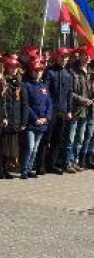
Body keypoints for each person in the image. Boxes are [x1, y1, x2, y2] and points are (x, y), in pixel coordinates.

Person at [41, 47, 73, 175]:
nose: (64, 59)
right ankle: (41, 164)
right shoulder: (49, 72)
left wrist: (69, 109)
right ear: (57, 57)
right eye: (62, 57)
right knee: (46, 138)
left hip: (63, 110)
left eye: (66, 57)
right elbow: (45, 91)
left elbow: (70, 93)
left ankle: (52, 164)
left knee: (58, 139)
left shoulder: (68, 73)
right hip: (51, 110)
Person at [21, 59, 51, 179]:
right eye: (36, 71)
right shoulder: (26, 85)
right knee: (30, 147)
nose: (38, 73)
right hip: (31, 122)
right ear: (31, 71)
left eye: (40, 71)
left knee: (36, 148)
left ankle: (29, 168)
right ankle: (24, 169)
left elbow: (49, 103)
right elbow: (26, 104)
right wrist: (35, 118)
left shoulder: (44, 86)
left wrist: (46, 118)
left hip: (42, 122)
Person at [65, 47, 93, 172]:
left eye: (89, 55)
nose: (87, 58)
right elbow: (69, 92)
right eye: (85, 55)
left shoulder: (90, 71)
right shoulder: (72, 71)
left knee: (80, 138)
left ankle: (75, 161)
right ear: (80, 56)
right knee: (71, 137)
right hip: (75, 108)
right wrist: (82, 100)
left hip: (87, 110)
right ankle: (67, 162)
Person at [0, 56, 26, 178]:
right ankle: (2, 169)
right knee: (4, 146)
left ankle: (10, 167)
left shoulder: (20, 83)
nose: (14, 70)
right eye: (11, 67)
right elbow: (2, 101)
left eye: (16, 67)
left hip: (16, 118)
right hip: (5, 118)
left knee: (13, 146)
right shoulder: (3, 82)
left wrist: (23, 121)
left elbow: (24, 103)